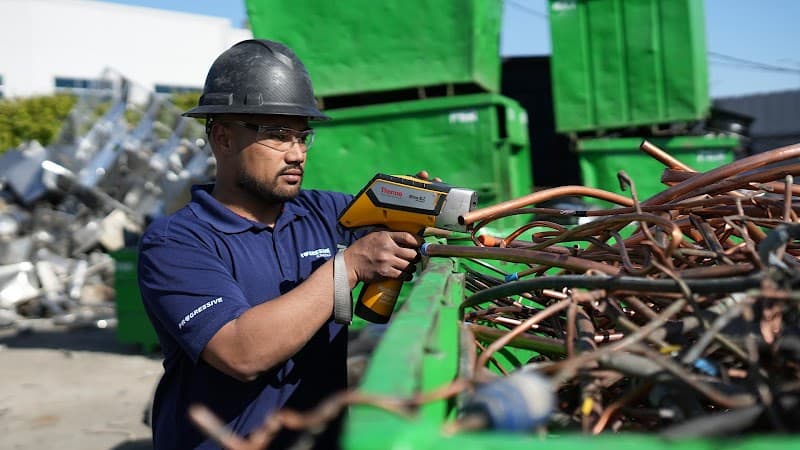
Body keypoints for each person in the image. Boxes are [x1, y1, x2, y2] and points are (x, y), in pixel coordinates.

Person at [137, 39, 422, 449]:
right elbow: (240, 353)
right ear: (223, 138)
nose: (297, 153)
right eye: (278, 135)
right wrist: (350, 267)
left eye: (303, 137)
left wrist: (419, 211)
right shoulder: (176, 243)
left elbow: (402, 237)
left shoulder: (327, 213)